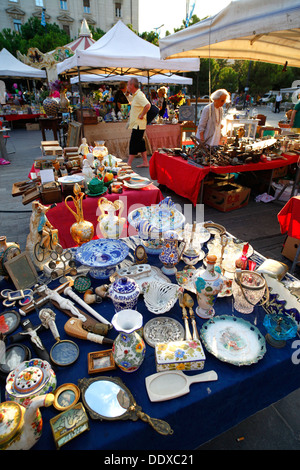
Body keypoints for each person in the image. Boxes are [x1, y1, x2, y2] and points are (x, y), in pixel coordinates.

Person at [127, 77, 151, 168]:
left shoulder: (139, 95)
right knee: (140, 143)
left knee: (133, 142)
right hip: (137, 124)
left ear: (132, 85)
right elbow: (140, 106)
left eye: (128, 84)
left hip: (138, 124)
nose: (127, 86)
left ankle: (129, 163)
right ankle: (145, 162)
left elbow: (147, 105)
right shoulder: (136, 95)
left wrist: (141, 115)